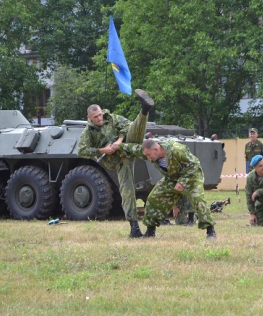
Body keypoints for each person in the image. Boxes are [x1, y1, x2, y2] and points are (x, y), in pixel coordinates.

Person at [77, 89, 154, 238]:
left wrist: (118, 141)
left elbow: (126, 126)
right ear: (89, 117)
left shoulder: (112, 118)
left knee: (134, 130)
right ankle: (134, 228)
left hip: (128, 146)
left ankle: (145, 109)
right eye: (95, 117)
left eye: (100, 114)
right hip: (119, 161)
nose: (99, 118)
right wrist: (103, 150)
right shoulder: (88, 132)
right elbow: (81, 150)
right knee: (128, 191)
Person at [120, 139, 216, 239]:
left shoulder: (176, 150)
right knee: (153, 198)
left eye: (148, 155)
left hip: (192, 176)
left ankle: (210, 231)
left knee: (198, 200)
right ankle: (150, 232)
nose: (148, 158)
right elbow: (134, 148)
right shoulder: (149, 151)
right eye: (146, 155)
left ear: (156, 149)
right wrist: (119, 146)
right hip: (172, 178)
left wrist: (182, 182)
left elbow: (194, 165)